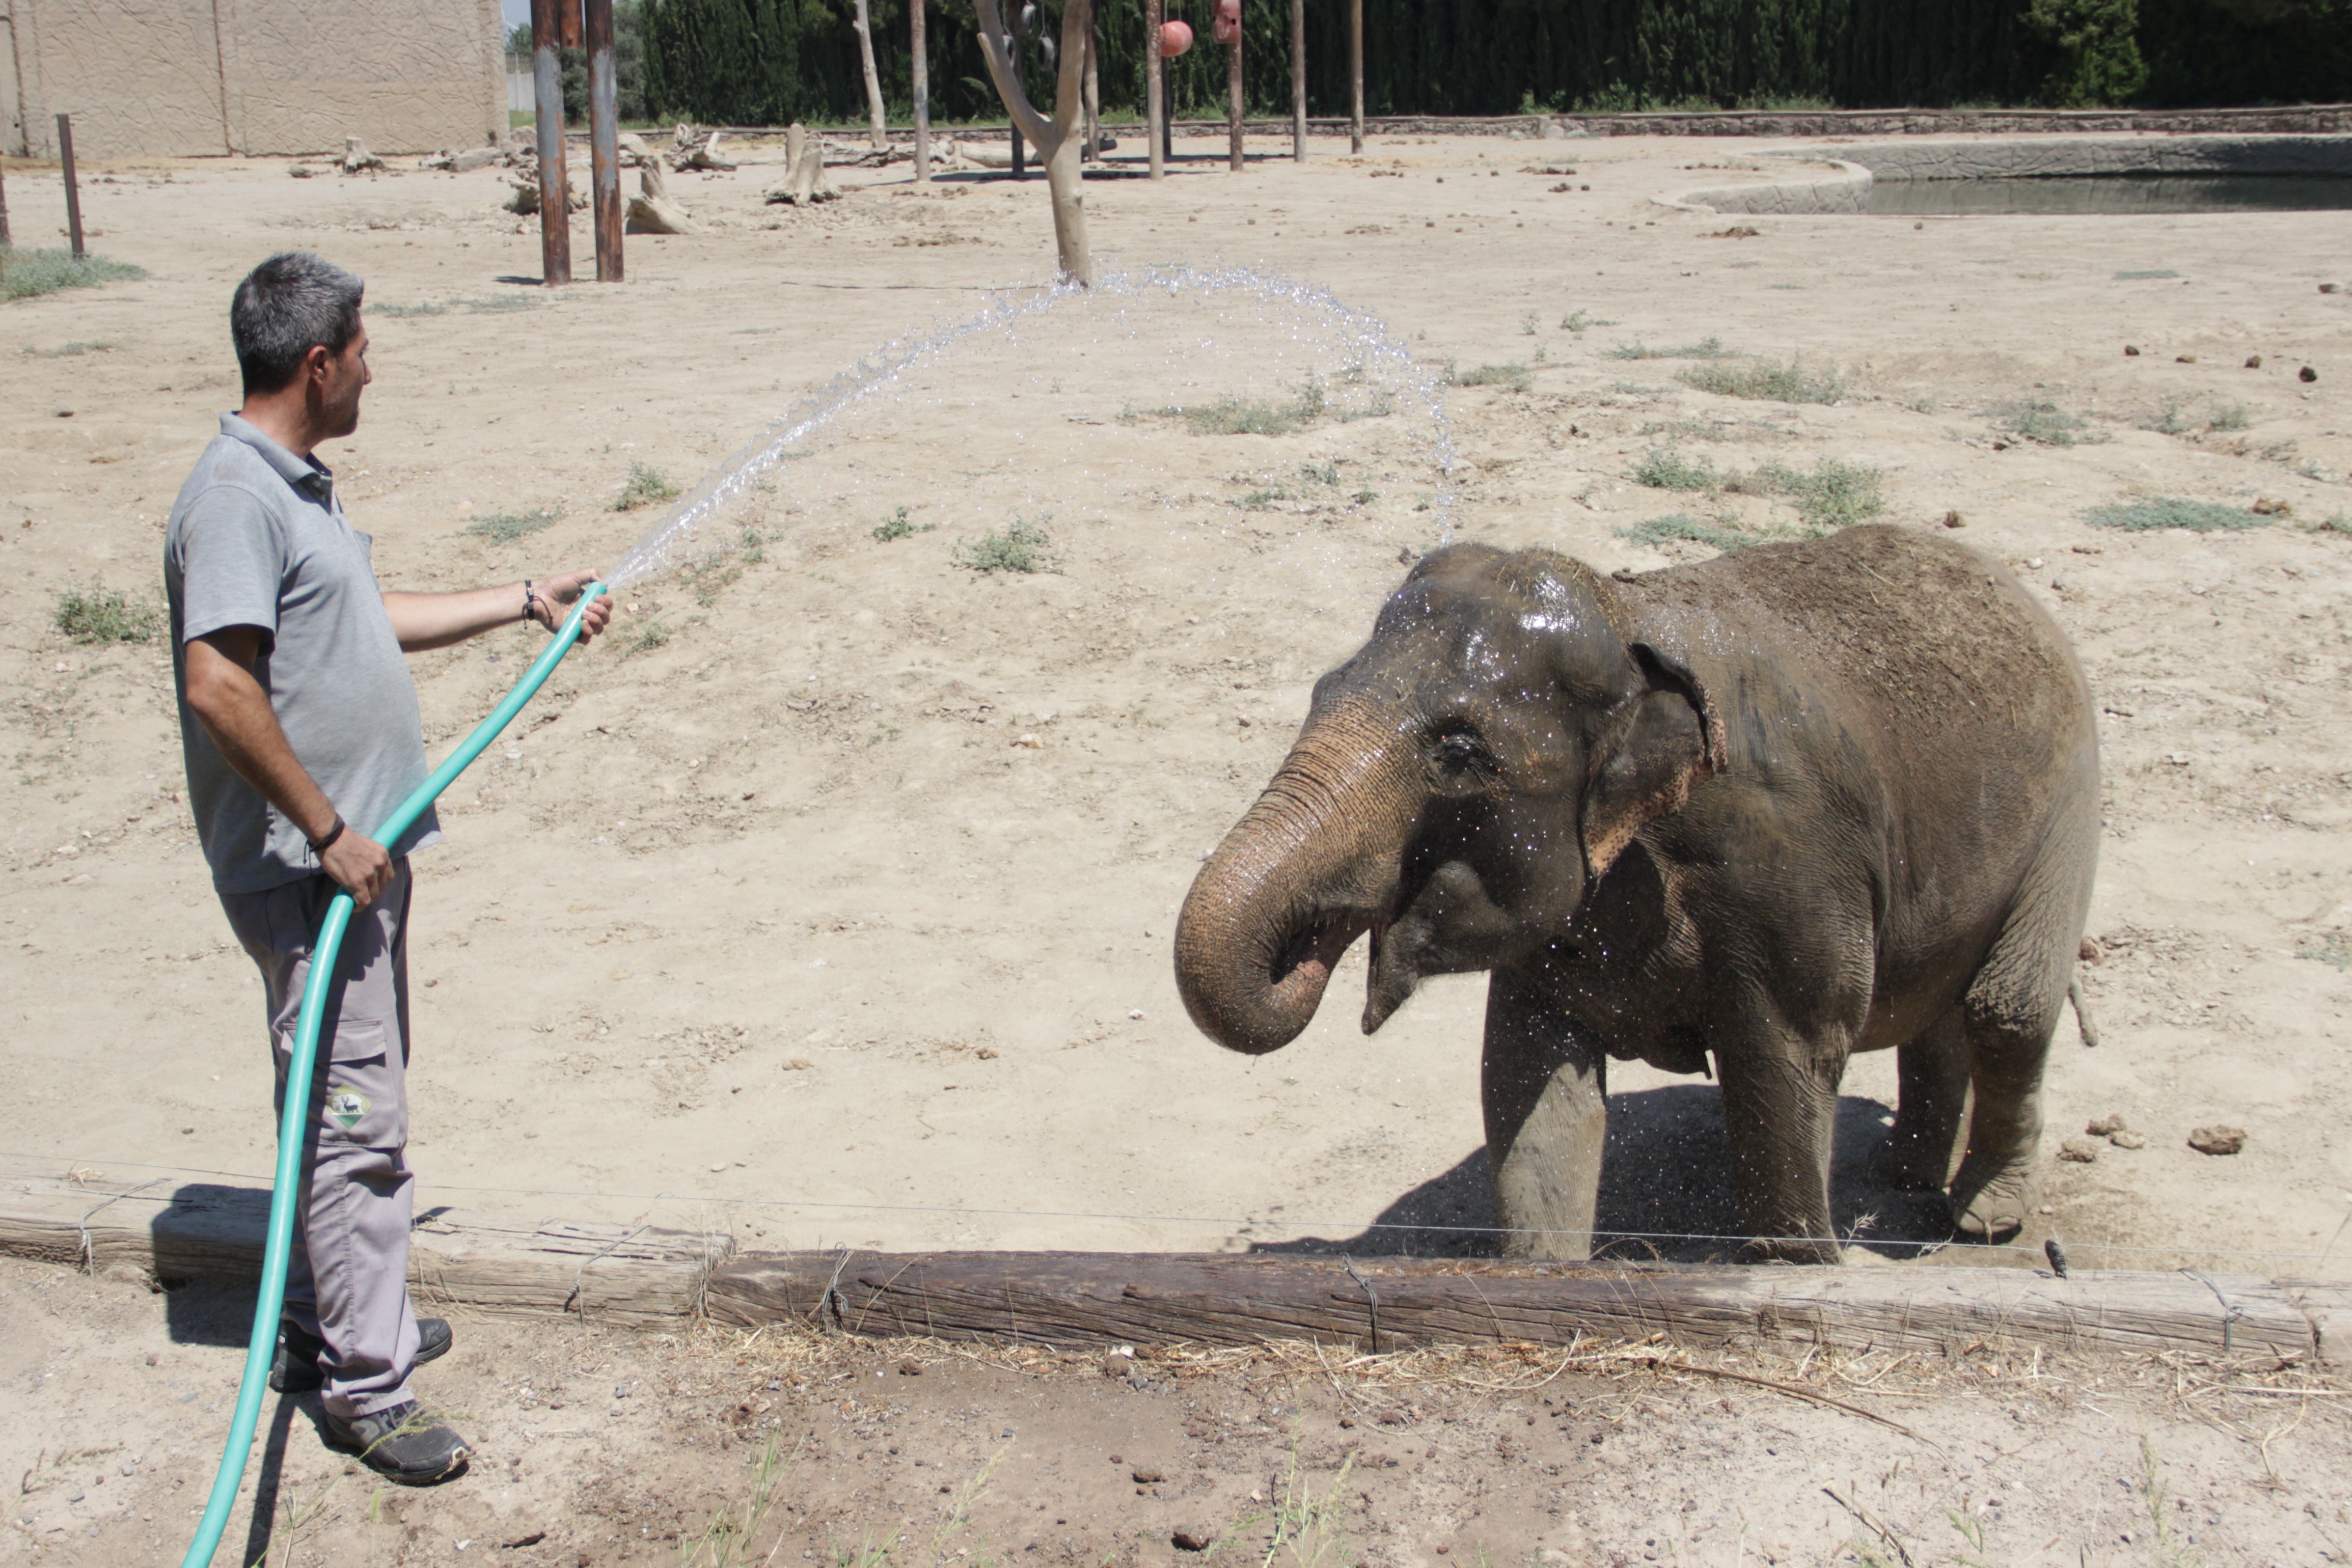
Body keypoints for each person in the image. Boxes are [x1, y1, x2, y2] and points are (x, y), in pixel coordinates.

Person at [164, 252, 613, 1485]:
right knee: (358, 1123)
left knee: (330, 1105)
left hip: (350, 866)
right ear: (317, 364)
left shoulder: (292, 488)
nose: (373, 365)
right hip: (316, 875)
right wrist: (324, 826)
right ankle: (369, 1389)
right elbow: (218, 681)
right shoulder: (235, 501)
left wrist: (525, 599)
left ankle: (333, 1323)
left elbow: (364, 612)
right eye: (363, 348)